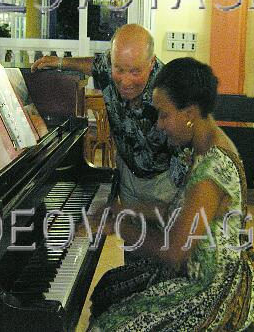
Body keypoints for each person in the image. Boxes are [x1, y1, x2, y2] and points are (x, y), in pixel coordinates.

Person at [89, 57, 254, 331]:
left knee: (109, 325)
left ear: (190, 114)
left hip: (212, 288)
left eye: (164, 114)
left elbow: (173, 252)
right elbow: (180, 209)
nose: (159, 124)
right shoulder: (205, 146)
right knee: (109, 289)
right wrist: (129, 210)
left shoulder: (212, 170)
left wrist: (120, 226)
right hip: (197, 271)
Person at [31, 24, 185, 217]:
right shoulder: (108, 65)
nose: (125, 81)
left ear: (151, 63)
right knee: (132, 242)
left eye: (135, 72)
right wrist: (61, 62)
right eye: (118, 69)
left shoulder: (170, 96)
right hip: (126, 172)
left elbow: (186, 165)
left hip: (162, 184)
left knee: (158, 243)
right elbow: (95, 64)